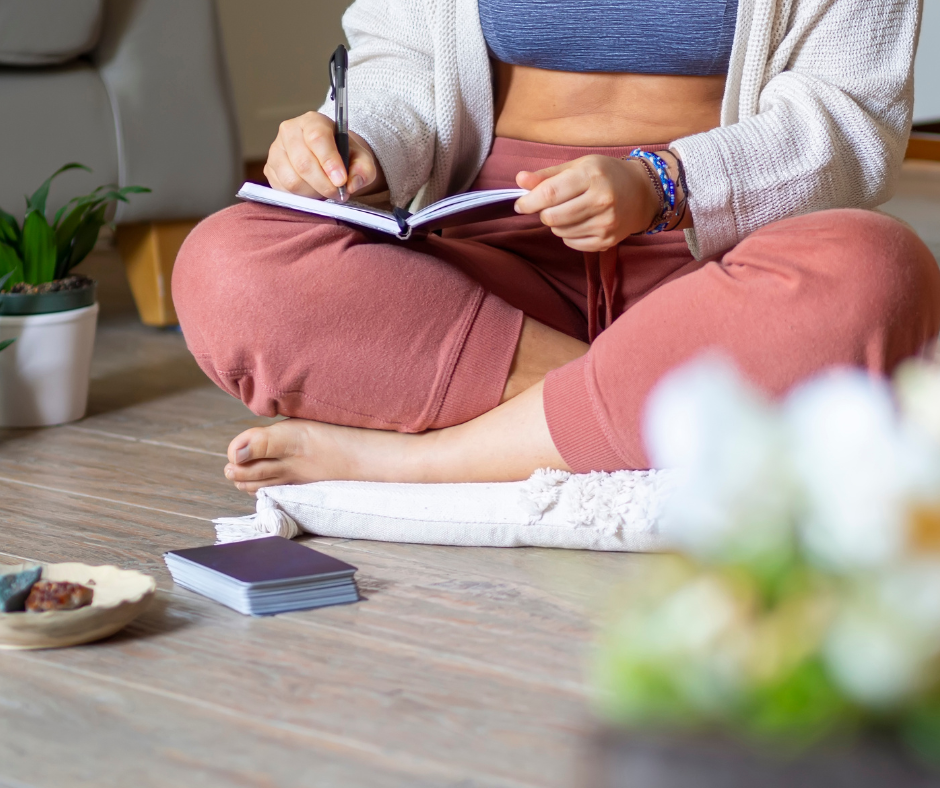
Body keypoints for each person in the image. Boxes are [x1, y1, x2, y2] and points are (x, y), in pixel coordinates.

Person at [173, 0, 940, 494]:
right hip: (495, 258)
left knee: (877, 270)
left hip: (716, 250)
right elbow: (399, 60)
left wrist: (665, 184)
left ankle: (425, 462)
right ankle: (654, 407)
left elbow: (852, 117)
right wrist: (361, 143)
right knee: (225, 269)